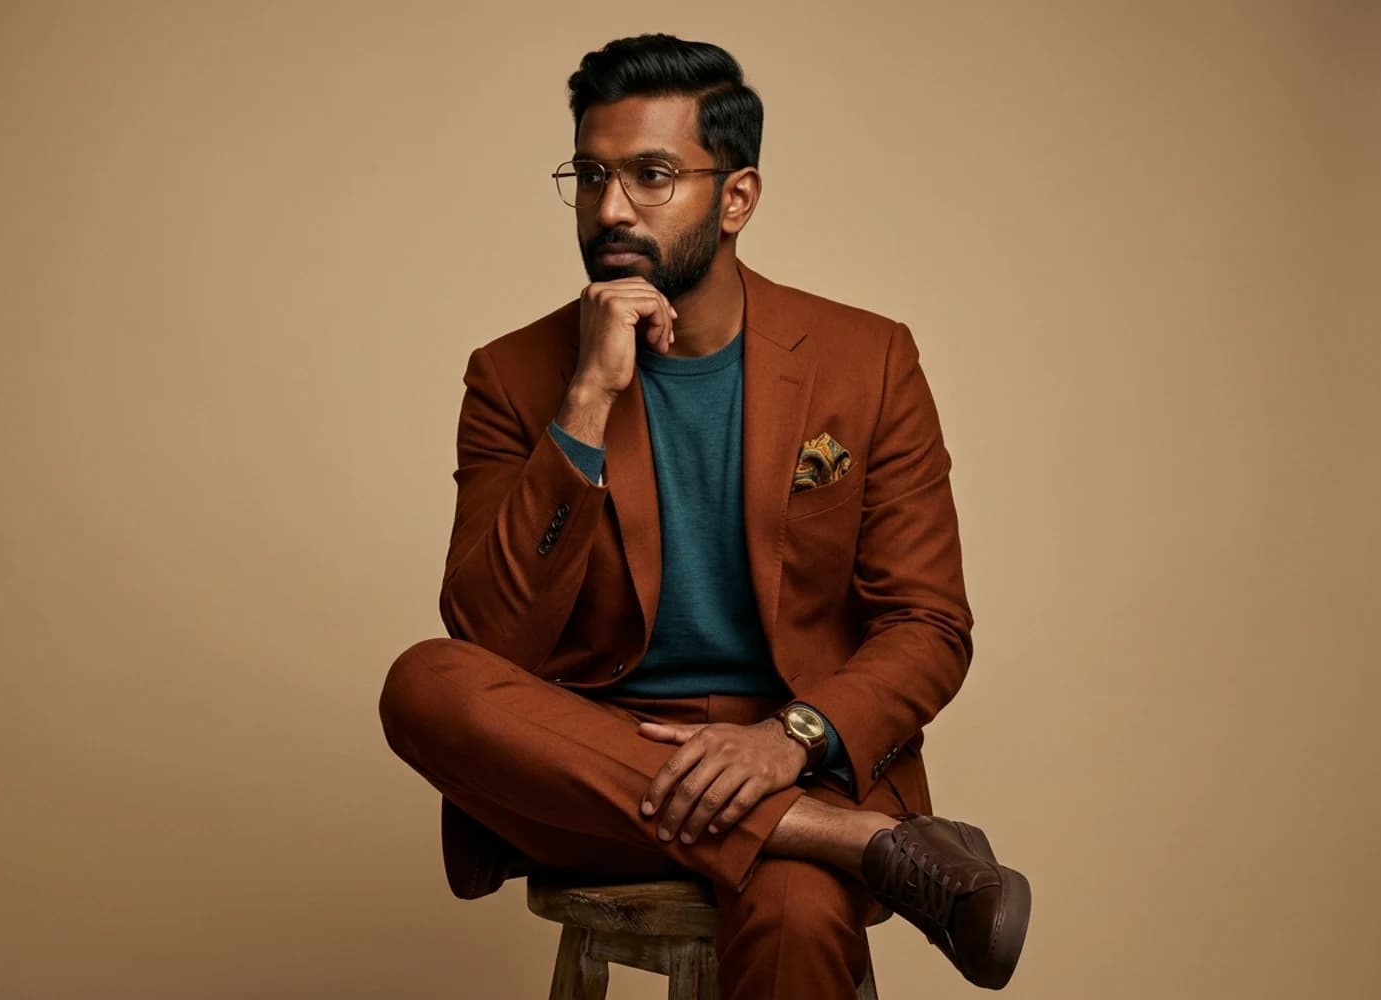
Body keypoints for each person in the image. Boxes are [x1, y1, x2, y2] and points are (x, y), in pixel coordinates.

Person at [379, 32, 1031, 998]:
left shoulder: (868, 359)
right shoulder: (515, 375)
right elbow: (487, 640)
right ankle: (869, 845)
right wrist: (588, 400)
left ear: (737, 197)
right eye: (590, 175)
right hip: (595, 768)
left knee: (804, 911)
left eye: (651, 175)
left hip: (797, 747)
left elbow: (930, 625)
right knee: (424, 681)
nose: (610, 209)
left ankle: (811, 834)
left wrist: (789, 742)